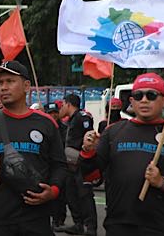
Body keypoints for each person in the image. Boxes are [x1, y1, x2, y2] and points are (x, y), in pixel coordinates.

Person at [81, 73, 164, 235]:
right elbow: (90, 176)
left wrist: (163, 182)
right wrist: (87, 152)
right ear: (131, 101)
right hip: (119, 224)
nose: (144, 100)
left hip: (161, 226)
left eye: (151, 95)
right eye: (138, 96)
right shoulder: (113, 132)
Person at [0, 61, 67, 236]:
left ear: (26, 86)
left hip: (36, 218)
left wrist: (53, 191)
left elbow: (59, 165)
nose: (3, 87)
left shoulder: (46, 123)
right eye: (0, 83)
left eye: (10, 81)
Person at [55, 94, 96, 236]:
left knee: (85, 195)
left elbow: (89, 137)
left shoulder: (82, 117)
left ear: (68, 104)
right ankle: (78, 223)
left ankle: (90, 227)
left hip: (82, 163)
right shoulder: (70, 121)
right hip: (70, 164)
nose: (61, 108)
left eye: (63, 105)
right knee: (71, 195)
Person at [43, 102, 68, 231]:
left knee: (61, 194)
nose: (53, 115)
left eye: (55, 113)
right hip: (47, 165)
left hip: (61, 164)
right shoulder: (44, 127)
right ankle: (52, 218)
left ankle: (60, 218)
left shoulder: (64, 128)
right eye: (50, 113)